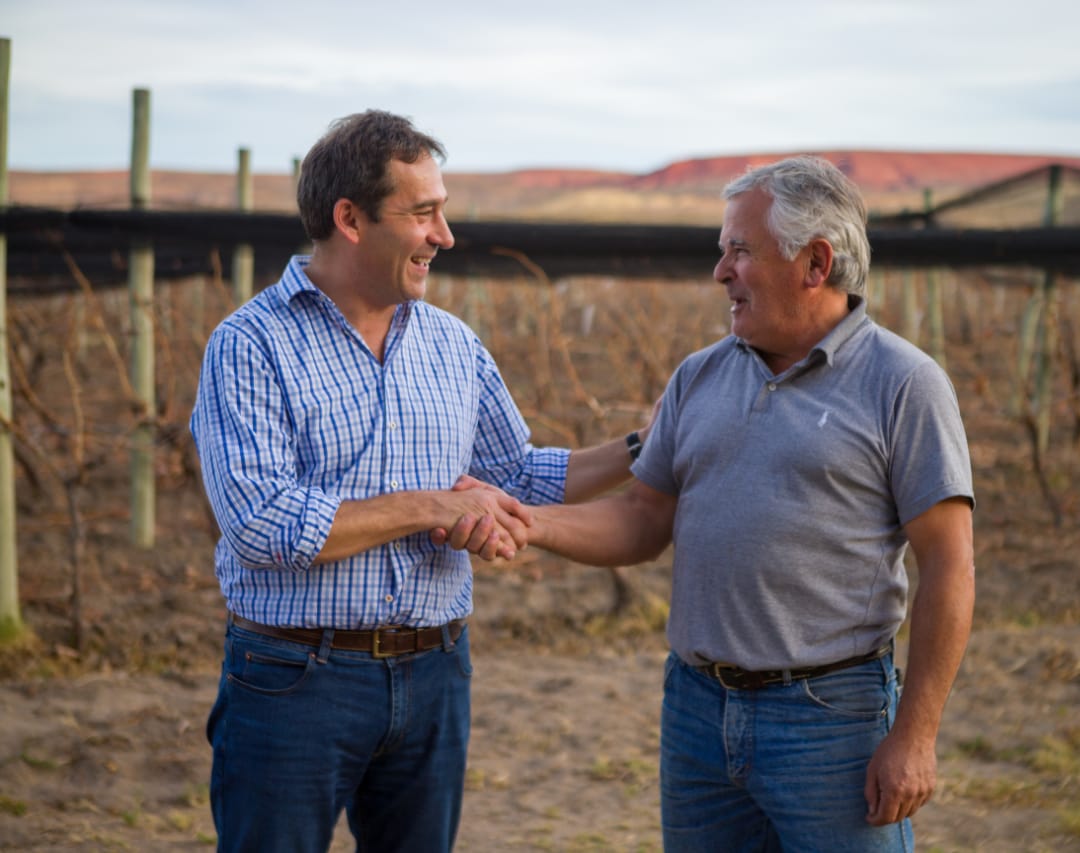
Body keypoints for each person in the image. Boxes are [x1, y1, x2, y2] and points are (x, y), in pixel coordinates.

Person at [188, 109, 648, 852]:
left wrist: (642, 445)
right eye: (424, 213)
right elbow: (263, 525)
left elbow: (517, 474)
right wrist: (433, 504)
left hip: (436, 672)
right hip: (294, 679)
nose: (445, 235)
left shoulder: (451, 343)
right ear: (351, 219)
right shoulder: (250, 344)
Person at [522, 155, 975, 850]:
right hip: (698, 713)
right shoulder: (698, 376)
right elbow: (644, 518)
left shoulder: (904, 383)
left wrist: (915, 734)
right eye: (721, 251)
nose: (720, 272)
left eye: (740, 250)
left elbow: (948, 564)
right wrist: (530, 522)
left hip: (831, 720)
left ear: (815, 263)